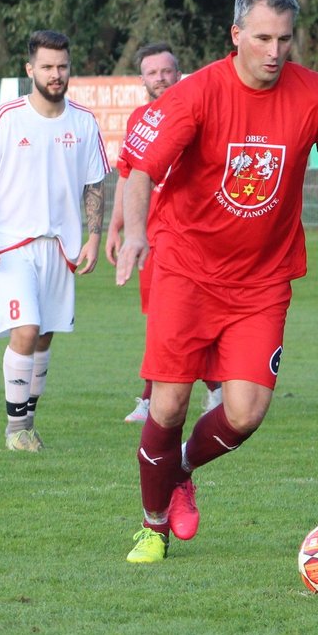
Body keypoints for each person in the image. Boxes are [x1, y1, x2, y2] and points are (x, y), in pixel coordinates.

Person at [115, 0, 318, 563]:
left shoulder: (317, 95)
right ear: (236, 35)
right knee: (169, 407)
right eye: (262, 38)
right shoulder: (195, 94)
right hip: (186, 269)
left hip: (262, 280)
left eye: (284, 38)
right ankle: (152, 525)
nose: (275, 51)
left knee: (246, 413)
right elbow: (141, 170)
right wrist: (135, 235)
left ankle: (177, 470)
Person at [0, 30, 108, 452]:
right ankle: (15, 431)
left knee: (45, 336)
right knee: (26, 330)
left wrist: (93, 237)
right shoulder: (8, 117)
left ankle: (29, 423)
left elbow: (94, 183)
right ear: (30, 69)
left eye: (62, 66)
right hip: (12, 245)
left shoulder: (83, 122)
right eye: (47, 67)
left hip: (61, 246)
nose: (56, 74)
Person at [104, 42, 223, 423]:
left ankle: (156, 397)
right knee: (163, 317)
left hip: (192, 234)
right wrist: (116, 226)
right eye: (152, 73)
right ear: (142, 79)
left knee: (183, 318)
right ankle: (213, 389)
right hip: (151, 235)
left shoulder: (202, 114)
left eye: (167, 71)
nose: (160, 78)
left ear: (179, 72)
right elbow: (128, 174)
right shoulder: (141, 119)